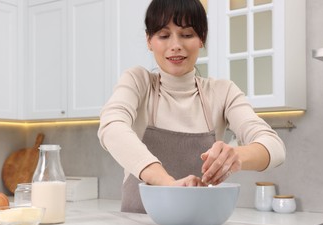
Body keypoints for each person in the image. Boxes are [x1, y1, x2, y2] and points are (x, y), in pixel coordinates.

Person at [98, 0, 286, 213]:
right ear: (149, 40)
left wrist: (236, 156)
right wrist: (167, 183)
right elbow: (111, 127)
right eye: (163, 35)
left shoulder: (222, 92)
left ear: (201, 39)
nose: (176, 45)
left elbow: (275, 147)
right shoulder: (138, 82)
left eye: (187, 35)